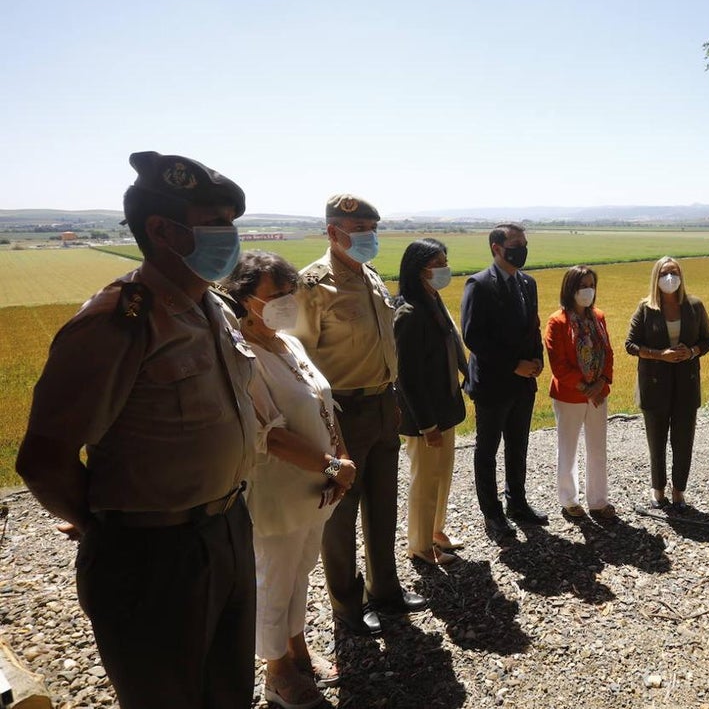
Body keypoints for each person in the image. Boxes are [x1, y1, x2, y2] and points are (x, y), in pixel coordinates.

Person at [15, 151, 258, 708]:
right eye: (215, 222)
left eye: (231, 223)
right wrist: (109, 527)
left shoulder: (209, 307)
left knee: (227, 692)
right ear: (161, 230)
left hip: (227, 528)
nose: (230, 236)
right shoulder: (119, 320)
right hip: (151, 553)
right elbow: (44, 459)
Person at [288, 194, 426, 638]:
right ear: (333, 232)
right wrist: (317, 423)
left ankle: (386, 589)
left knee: (383, 505)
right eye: (362, 229)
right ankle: (348, 604)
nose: (371, 237)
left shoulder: (369, 275)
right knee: (341, 512)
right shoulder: (312, 285)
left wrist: (394, 394)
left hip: (383, 403)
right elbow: (299, 360)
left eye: (372, 228)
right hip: (343, 410)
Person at [224, 251, 357, 708]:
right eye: (274, 296)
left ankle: (296, 647)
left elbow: (324, 402)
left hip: (317, 485)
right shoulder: (244, 356)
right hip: (278, 491)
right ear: (243, 300)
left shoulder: (288, 341)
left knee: (301, 571)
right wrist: (333, 466)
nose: (285, 302)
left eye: (289, 293)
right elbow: (272, 436)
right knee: (275, 580)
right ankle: (276, 673)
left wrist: (341, 457)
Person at [460, 222, 549, 543]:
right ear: (496, 248)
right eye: (515, 244)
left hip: (524, 383)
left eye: (524, 243)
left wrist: (537, 361)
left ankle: (517, 503)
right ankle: (492, 513)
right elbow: (473, 336)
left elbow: (533, 327)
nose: (522, 249)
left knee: (518, 445)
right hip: (493, 384)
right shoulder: (479, 285)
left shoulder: (528, 283)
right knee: (487, 450)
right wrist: (515, 365)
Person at [394, 239, 469, 565]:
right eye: (437, 263)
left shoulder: (433, 300)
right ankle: (420, 546)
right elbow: (408, 378)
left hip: (445, 409)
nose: (444, 269)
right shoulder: (409, 313)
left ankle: (436, 532)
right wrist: (427, 425)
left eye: (445, 260)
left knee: (441, 478)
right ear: (419, 268)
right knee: (424, 482)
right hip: (425, 418)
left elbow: (452, 344)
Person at [625, 256, 709, 510]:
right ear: (656, 277)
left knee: (684, 440)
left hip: (686, 383)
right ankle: (658, 491)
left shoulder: (695, 306)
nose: (670, 278)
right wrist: (659, 354)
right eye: (664, 273)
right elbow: (630, 345)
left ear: (681, 276)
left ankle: (679, 492)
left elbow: (707, 340)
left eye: (674, 272)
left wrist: (692, 352)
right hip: (654, 385)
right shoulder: (646, 308)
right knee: (657, 441)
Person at [545, 265, 616, 520]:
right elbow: (559, 365)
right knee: (568, 448)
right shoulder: (557, 321)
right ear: (570, 289)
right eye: (582, 285)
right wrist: (588, 389)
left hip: (598, 394)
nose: (588, 290)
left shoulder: (598, 316)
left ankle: (598, 501)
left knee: (598, 449)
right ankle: (569, 499)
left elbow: (608, 353)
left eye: (591, 285)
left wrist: (602, 384)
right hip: (569, 396)